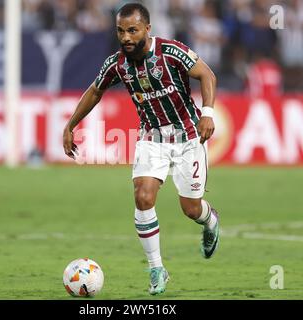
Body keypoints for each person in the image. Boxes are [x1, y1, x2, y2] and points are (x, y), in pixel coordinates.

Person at [63, 2, 220, 296]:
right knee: (143, 196)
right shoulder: (116, 64)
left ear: (147, 29)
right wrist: (71, 125)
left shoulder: (171, 52)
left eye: (132, 30)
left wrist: (208, 113)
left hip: (188, 138)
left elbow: (207, 75)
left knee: (191, 209)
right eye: (121, 31)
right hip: (151, 139)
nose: (126, 37)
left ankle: (210, 221)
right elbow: (96, 90)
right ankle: (156, 268)